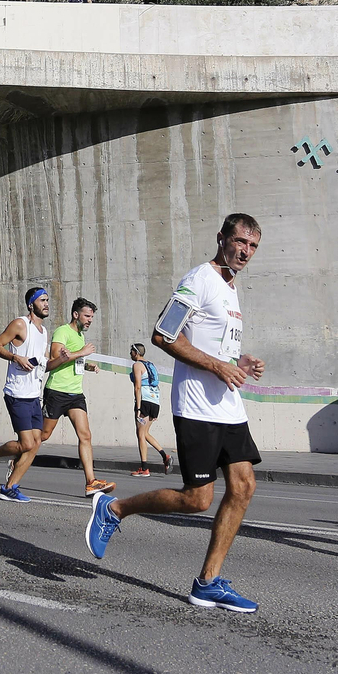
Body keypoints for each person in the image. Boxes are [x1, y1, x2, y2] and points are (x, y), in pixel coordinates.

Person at [84, 214, 267, 613]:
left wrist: (238, 362)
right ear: (221, 238)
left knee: (244, 486)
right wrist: (217, 366)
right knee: (198, 500)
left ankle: (208, 583)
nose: (245, 251)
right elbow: (163, 335)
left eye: (252, 246)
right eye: (240, 242)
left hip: (228, 406)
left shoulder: (230, 287)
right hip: (197, 407)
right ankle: (114, 509)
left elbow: (214, 347)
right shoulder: (200, 279)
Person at [0, 287, 51, 501]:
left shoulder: (44, 332)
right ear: (31, 305)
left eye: (47, 300)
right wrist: (16, 357)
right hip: (17, 393)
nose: (46, 304)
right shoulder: (20, 324)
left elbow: (45, 364)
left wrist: (66, 358)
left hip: (33, 394)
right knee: (26, 443)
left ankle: (10, 487)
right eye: (42, 300)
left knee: (36, 444)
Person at [39, 298, 113, 497]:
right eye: (87, 316)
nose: (90, 320)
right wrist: (82, 352)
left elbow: (74, 361)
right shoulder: (63, 331)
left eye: (92, 317)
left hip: (75, 394)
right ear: (75, 314)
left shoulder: (80, 335)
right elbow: (55, 358)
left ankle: (91, 482)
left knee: (85, 435)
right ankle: (17, 458)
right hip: (57, 391)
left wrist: (87, 365)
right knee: (43, 435)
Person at [130, 343, 171, 476]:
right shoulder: (150, 365)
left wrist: (138, 407)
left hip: (145, 402)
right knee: (145, 433)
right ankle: (165, 456)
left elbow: (138, 387)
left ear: (136, 353)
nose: (130, 354)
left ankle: (144, 468)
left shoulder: (137, 365)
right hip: (155, 402)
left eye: (131, 352)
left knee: (140, 435)